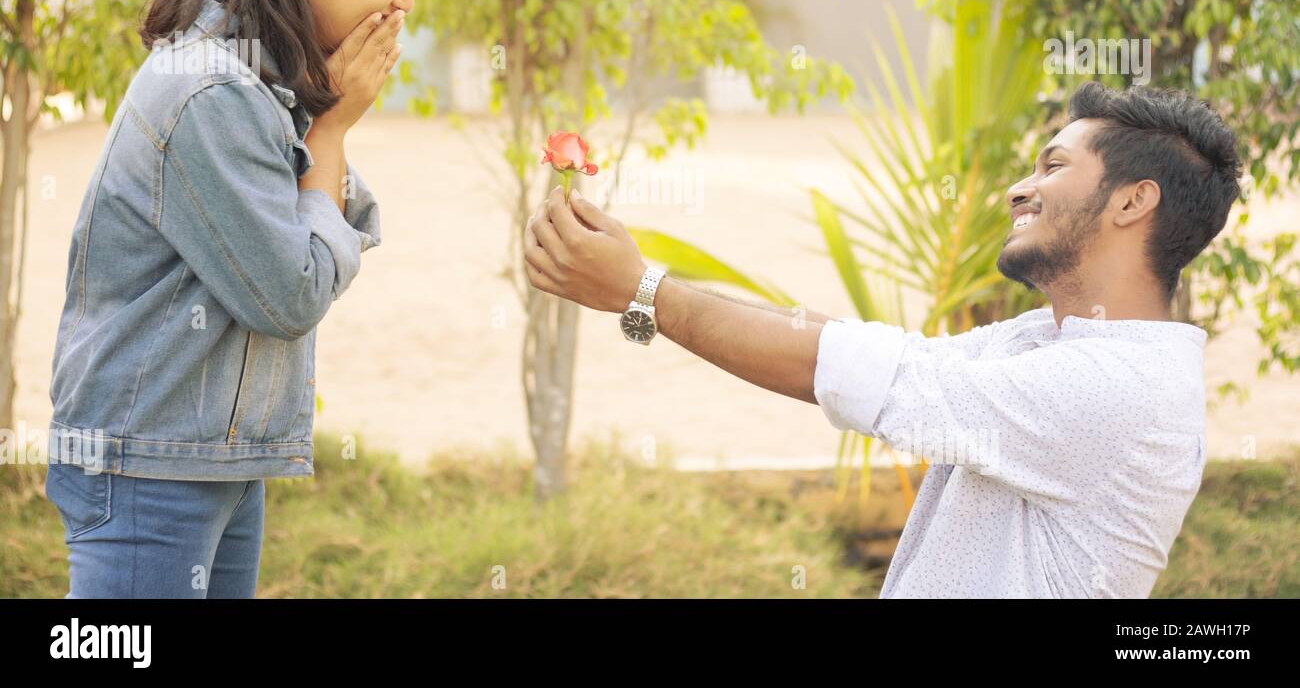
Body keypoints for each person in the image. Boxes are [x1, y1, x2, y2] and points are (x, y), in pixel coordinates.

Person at [523, 80, 1244, 598]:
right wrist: (642, 290)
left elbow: (845, 371)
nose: (1018, 190)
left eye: (1053, 167)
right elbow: (855, 350)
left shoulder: (1118, 390)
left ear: (1132, 201)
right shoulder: (1048, 342)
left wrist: (641, 292)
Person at [44, 0, 448, 598]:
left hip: (209, 458)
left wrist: (321, 129)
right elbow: (291, 291)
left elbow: (310, 225)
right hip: (148, 466)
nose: (406, 0)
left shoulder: (261, 83)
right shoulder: (210, 92)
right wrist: (330, 134)